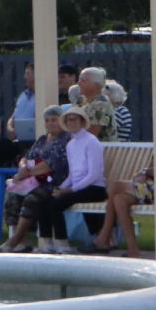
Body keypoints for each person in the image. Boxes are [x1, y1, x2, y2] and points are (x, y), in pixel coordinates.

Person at [92, 125, 156, 259]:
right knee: (119, 199)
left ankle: (104, 236)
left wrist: (149, 172)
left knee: (116, 186)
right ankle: (132, 249)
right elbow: (154, 166)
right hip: (150, 186)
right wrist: (144, 174)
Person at [31, 105, 107, 253]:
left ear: (83, 122)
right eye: (68, 120)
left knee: (56, 205)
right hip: (77, 188)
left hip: (95, 188)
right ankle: (47, 243)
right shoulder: (71, 144)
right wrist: (60, 188)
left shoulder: (92, 142)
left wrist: (70, 190)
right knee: (44, 199)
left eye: (75, 120)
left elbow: (94, 174)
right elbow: (72, 174)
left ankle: (63, 244)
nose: (72, 123)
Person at [0, 105, 70, 253]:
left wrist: (27, 173)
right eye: (47, 120)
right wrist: (23, 166)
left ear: (62, 121)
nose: (50, 123)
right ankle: (23, 241)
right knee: (13, 195)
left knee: (33, 199)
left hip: (52, 183)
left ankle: (15, 239)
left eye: (54, 120)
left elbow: (51, 165)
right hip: (33, 180)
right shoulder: (42, 139)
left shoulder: (65, 140)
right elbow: (26, 157)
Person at [68, 66, 118, 141]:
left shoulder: (101, 104)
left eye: (83, 80)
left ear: (95, 85)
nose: (78, 83)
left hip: (102, 150)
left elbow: (90, 134)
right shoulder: (81, 101)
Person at [6, 62, 37, 142]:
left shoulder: (42, 96)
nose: (24, 77)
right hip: (18, 139)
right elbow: (13, 116)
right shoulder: (22, 96)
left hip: (33, 140)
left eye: (27, 73)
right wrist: (10, 128)